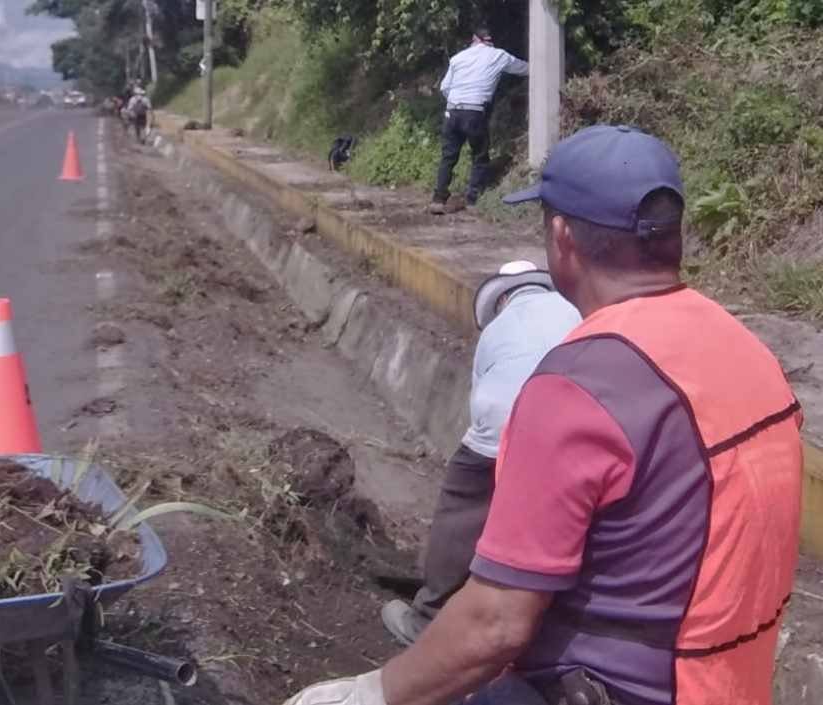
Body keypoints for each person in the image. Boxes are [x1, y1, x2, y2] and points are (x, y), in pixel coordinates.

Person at [285, 125, 803, 705]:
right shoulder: (749, 352)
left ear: (561, 237)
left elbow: (495, 624)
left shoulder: (578, 386)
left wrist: (373, 693)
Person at [381, 260, 580, 645]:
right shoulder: (572, 311)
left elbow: (481, 404)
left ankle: (428, 618)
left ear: (502, 299)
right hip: (575, 429)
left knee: (463, 510)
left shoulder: (498, 329)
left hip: (506, 424)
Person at [429, 27, 528, 215]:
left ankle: (438, 199)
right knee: (479, 155)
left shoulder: (458, 58)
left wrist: (457, 102)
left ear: (474, 39)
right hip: (475, 112)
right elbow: (524, 69)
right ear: (490, 40)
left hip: (452, 110)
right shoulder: (499, 55)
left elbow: (444, 87)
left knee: (448, 156)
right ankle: (472, 200)